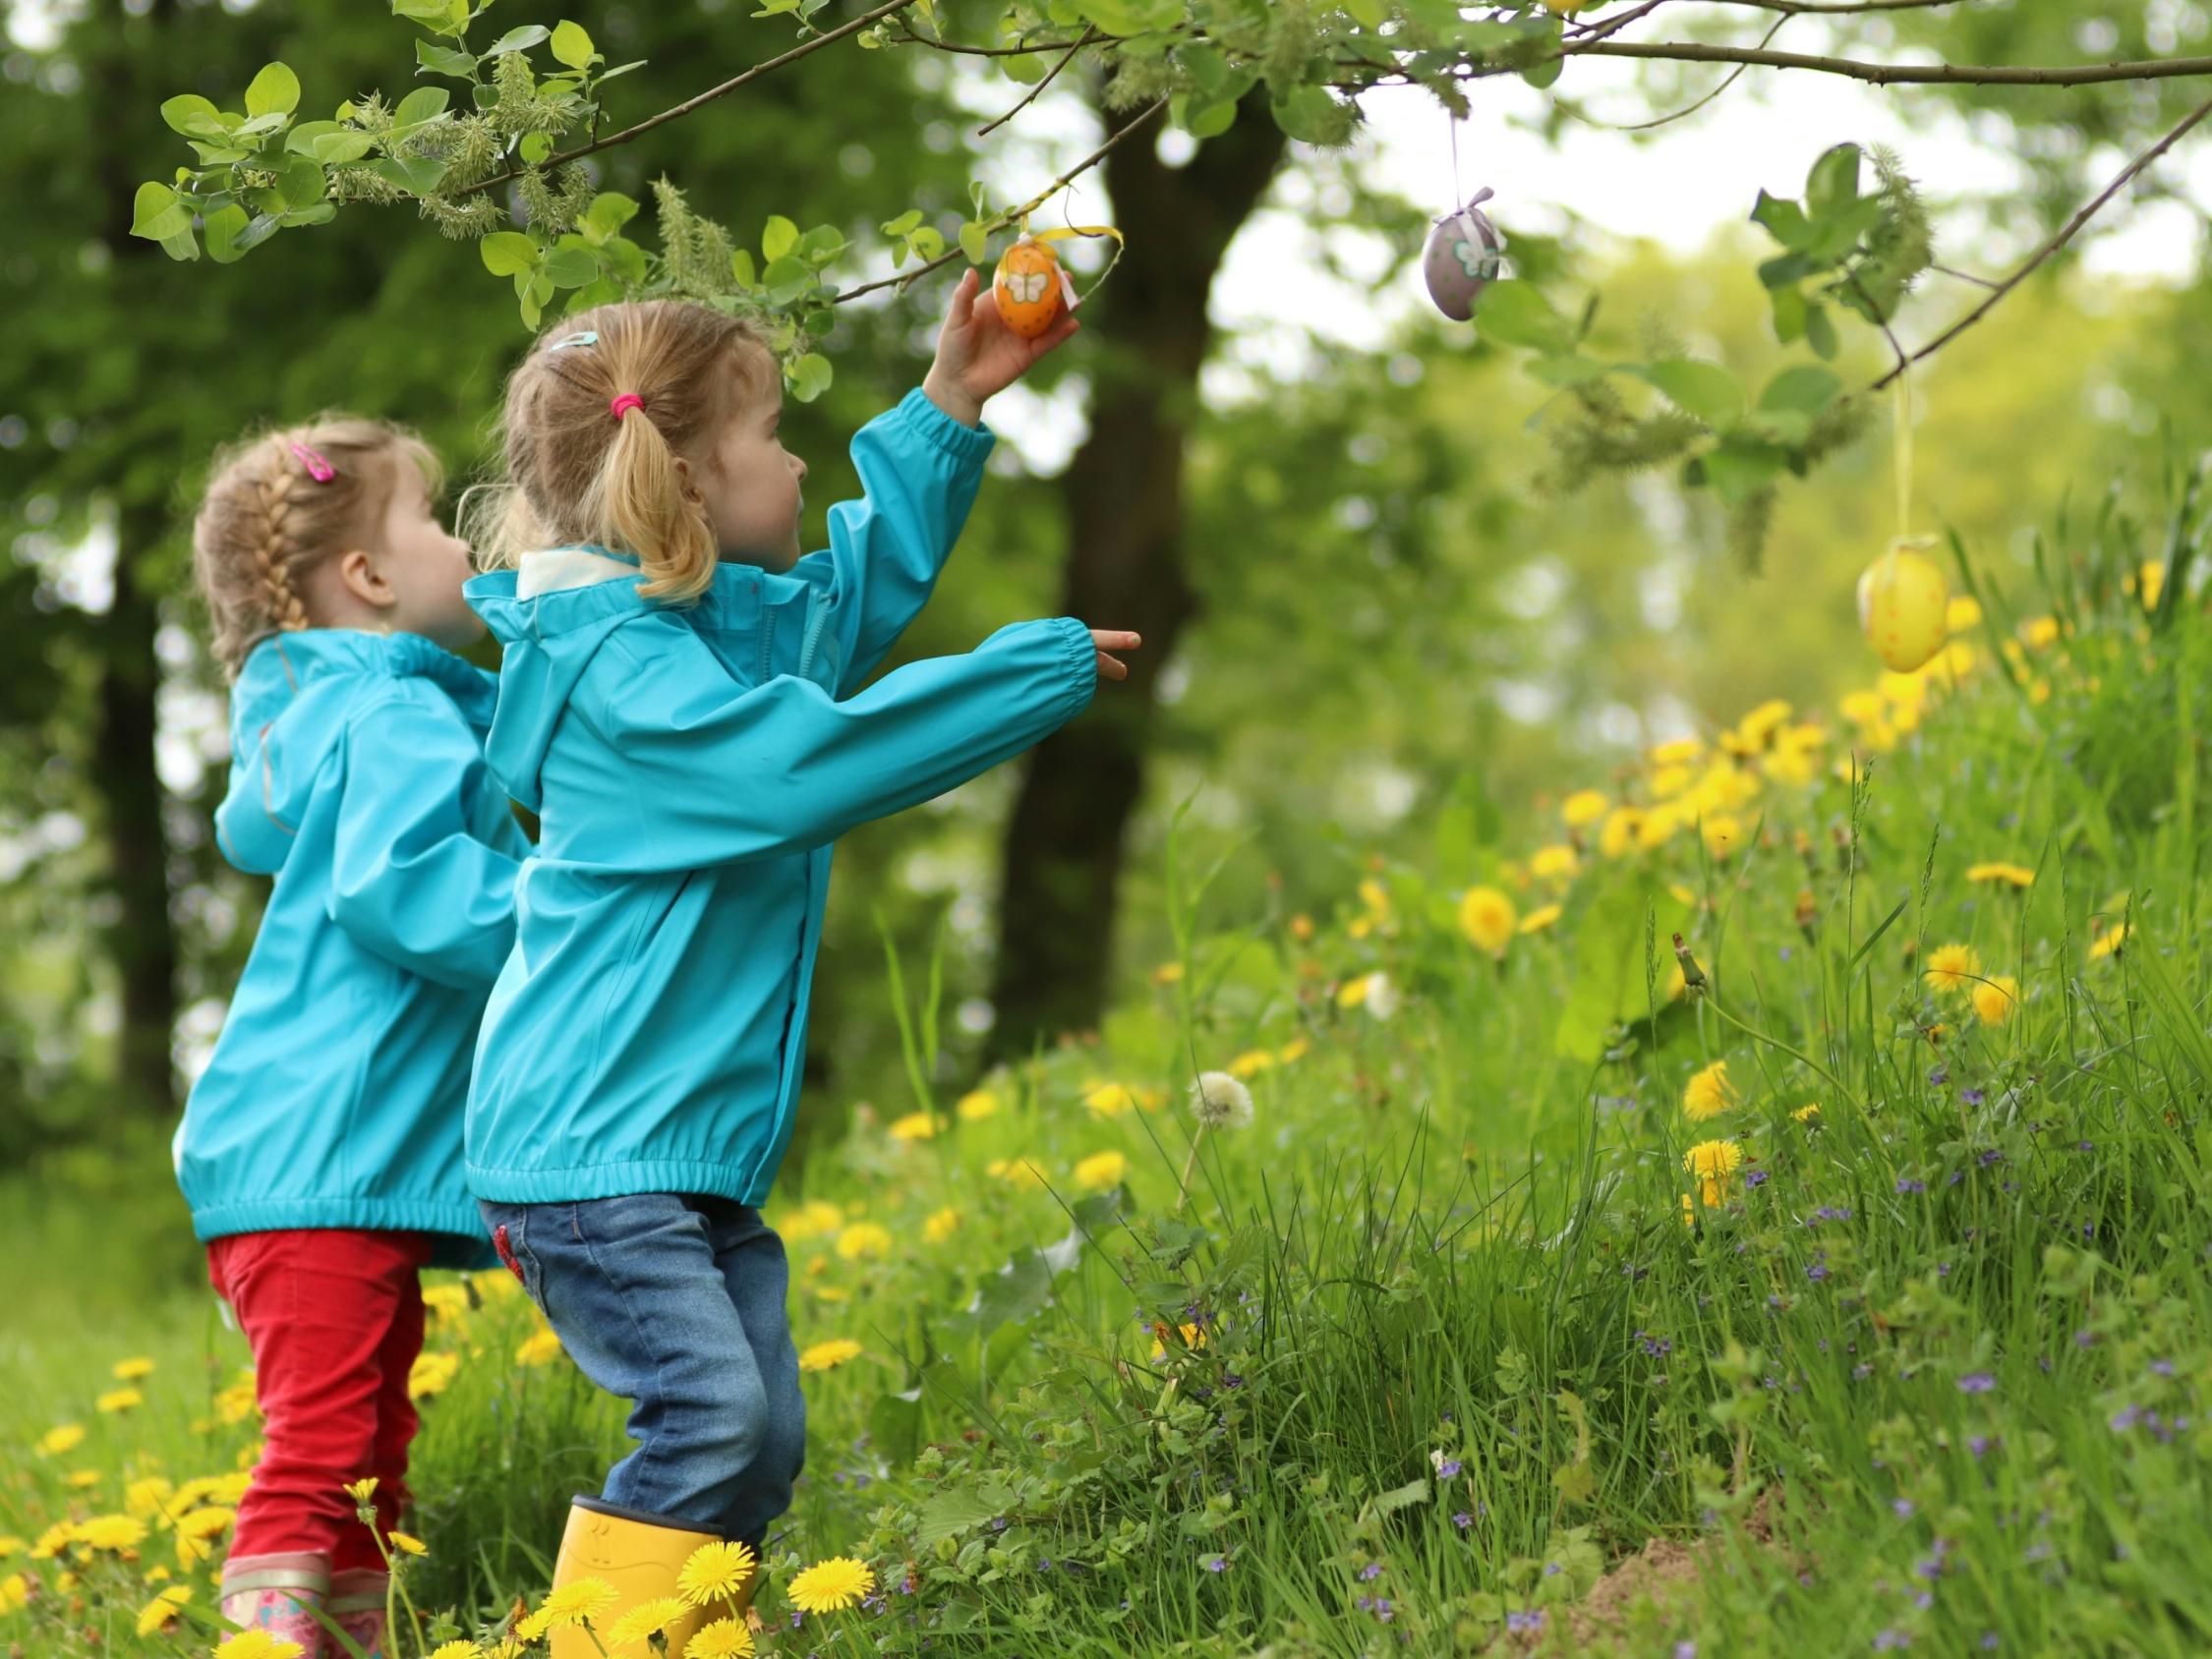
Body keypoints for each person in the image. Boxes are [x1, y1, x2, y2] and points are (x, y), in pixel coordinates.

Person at [464, 270, 1137, 1653]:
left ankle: (685, 1635)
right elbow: (796, 767)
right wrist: (1028, 673)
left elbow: (831, 611)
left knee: (758, 1447)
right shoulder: (629, 688)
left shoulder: (692, 639)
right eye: (773, 441)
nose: (793, 463)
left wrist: (947, 406)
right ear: (689, 488)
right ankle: (595, 1645)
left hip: (665, 1152)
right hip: (592, 1157)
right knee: (715, 1417)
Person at [175, 418, 527, 1658]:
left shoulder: (338, 721)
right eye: (433, 520)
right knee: (321, 1449)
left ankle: (348, 1639)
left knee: (372, 1446)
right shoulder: (395, 718)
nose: (459, 541)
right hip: (314, 1161)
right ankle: (266, 1641)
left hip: (307, 1161)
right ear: (369, 579)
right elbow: (404, 884)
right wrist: (553, 913)